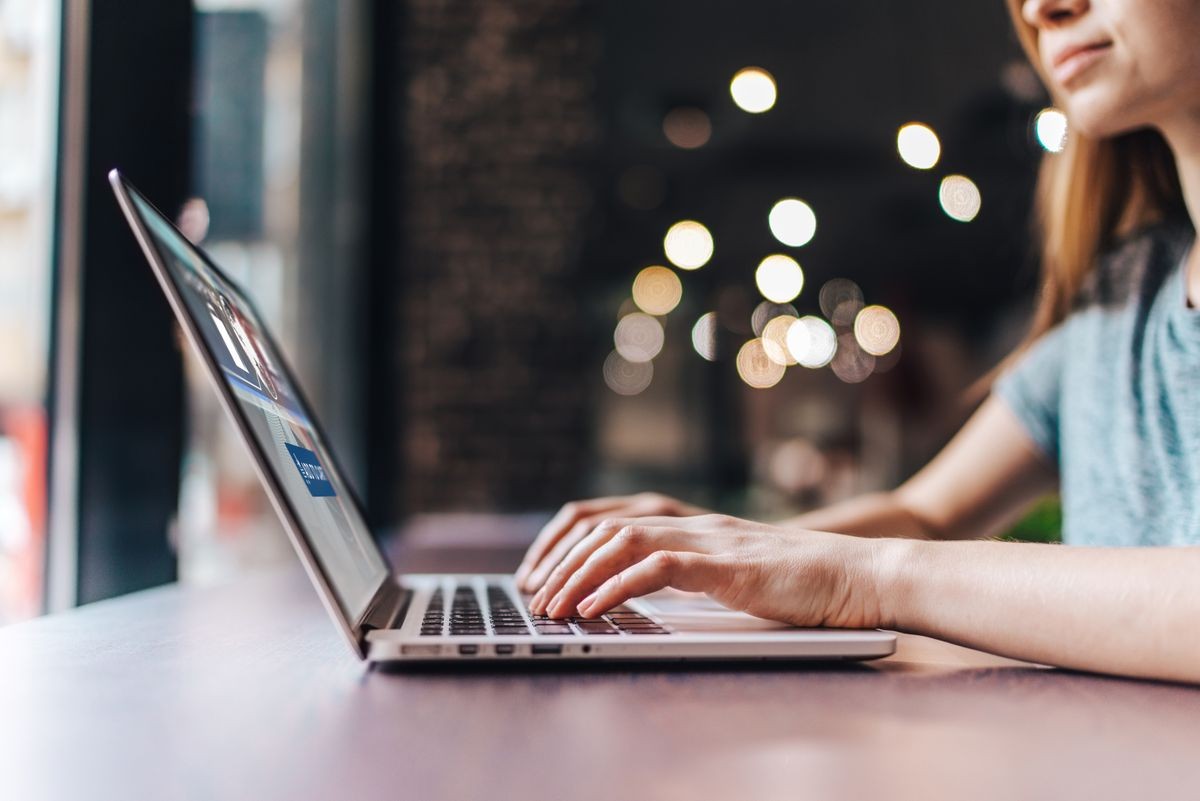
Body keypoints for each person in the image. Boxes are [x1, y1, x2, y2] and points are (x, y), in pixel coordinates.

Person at [514, 0, 1200, 685]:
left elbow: (898, 553)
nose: (1046, 8)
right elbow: (927, 514)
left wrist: (864, 578)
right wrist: (718, 547)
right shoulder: (1127, 295)